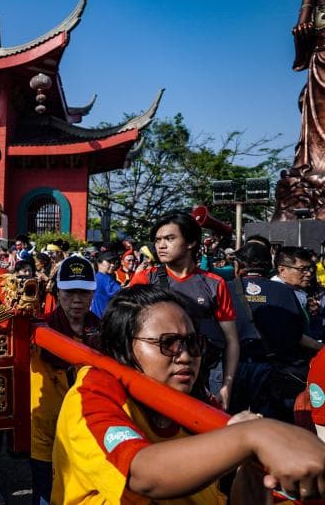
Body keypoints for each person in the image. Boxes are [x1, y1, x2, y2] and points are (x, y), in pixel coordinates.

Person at [52, 285, 325, 504]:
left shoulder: (198, 398)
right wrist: (254, 435)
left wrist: (251, 467)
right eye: (167, 343)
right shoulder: (93, 390)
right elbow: (143, 474)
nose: (185, 356)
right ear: (124, 347)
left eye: (193, 343)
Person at [129, 212, 239, 409]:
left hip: (203, 377)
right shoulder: (146, 279)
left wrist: (226, 386)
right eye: (157, 240)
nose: (161, 245)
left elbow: (231, 340)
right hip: (157, 380)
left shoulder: (214, 284)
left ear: (190, 242)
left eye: (169, 238)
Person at [30, 256, 100, 505]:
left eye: (84, 293)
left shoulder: (100, 331)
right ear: (58, 293)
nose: (77, 300)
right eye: (70, 293)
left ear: (93, 294)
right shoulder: (40, 331)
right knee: (46, 496)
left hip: (86, 432)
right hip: (46, 434)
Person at [228, 243, 320, 421]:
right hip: (273, 371)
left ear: (238, 266)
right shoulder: (284, 291)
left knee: (232, 422)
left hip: (234, 370)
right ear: (271, 266)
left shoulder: (224, 288)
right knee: (271, 423)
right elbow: (297, 334)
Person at [91, 250, 121, 318]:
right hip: (104, 320)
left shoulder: (97, 277)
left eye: (114, 262)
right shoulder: (104, 279)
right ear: (99, 262)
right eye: (109, 261)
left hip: (95, 318)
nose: (113, 265)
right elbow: (123, 293)